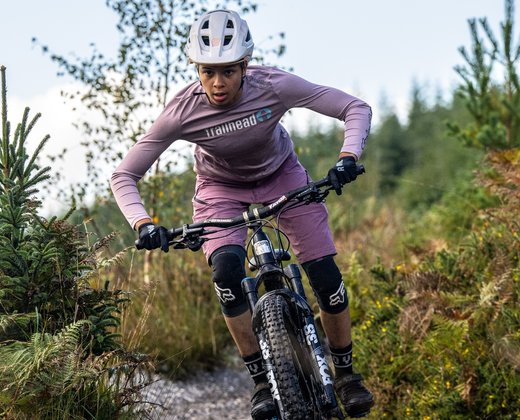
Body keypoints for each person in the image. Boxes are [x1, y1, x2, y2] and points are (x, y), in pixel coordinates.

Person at [109, 9, 375, 419]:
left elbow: (354, 108)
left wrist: (347, 157)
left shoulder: (274, 86)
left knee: (324, 274)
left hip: (283, 177)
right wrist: (143, 224)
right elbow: (125, 174)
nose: (218, 82)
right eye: (208, 72)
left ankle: (345, 374)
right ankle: (262, 384)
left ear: (245, 66)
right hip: (220, 191)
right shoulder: (182, 110)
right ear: (197, 69)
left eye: (229, 71)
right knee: (227, 272)